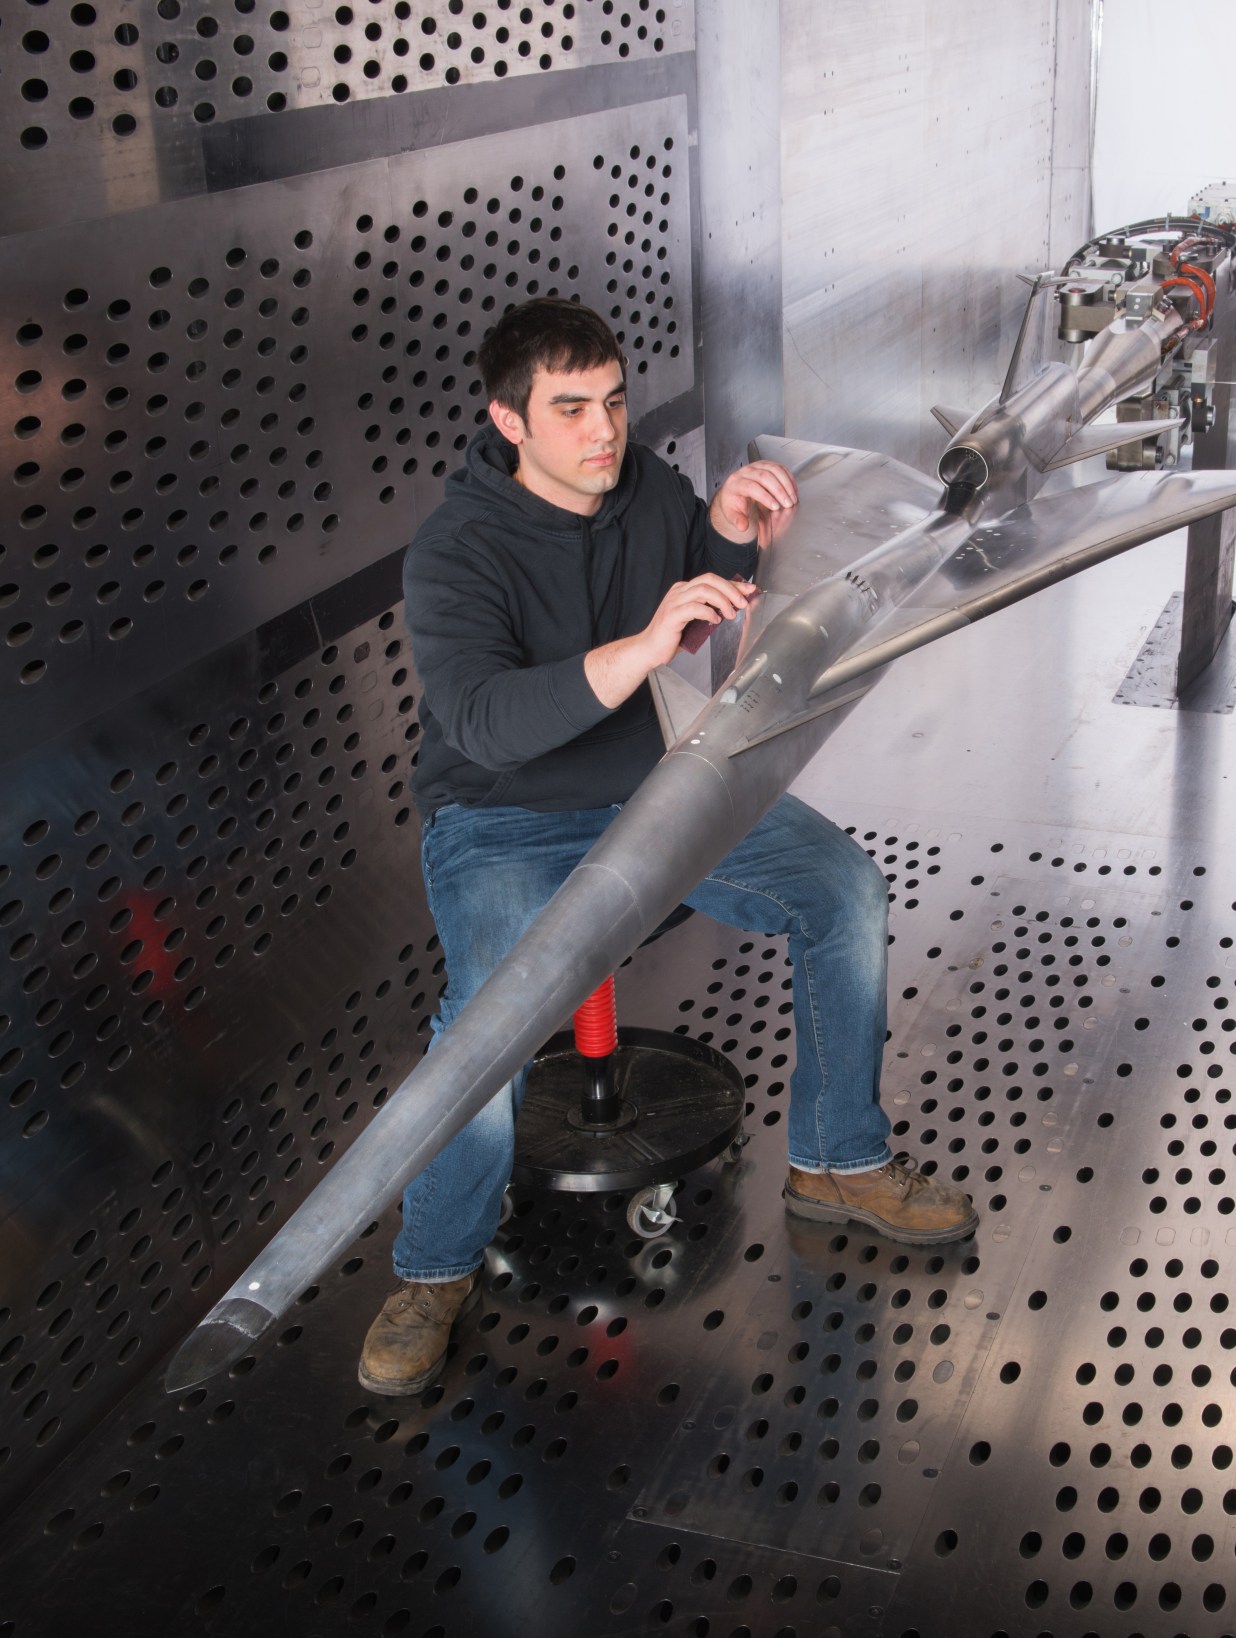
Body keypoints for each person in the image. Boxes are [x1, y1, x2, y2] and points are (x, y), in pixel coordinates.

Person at [357, 298, 978, 1396]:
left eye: (611, 400)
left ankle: (837, 1160)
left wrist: (731, 522)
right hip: (498, 814)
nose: (603, 431)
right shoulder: (452, 553)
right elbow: (486, 726)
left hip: (645, 787)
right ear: (508, 422)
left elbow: (699, 558)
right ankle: (434, 1268)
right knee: (486, 1017)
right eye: (570, 411)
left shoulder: (634, 478)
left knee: (841, 891)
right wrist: (640, 647)